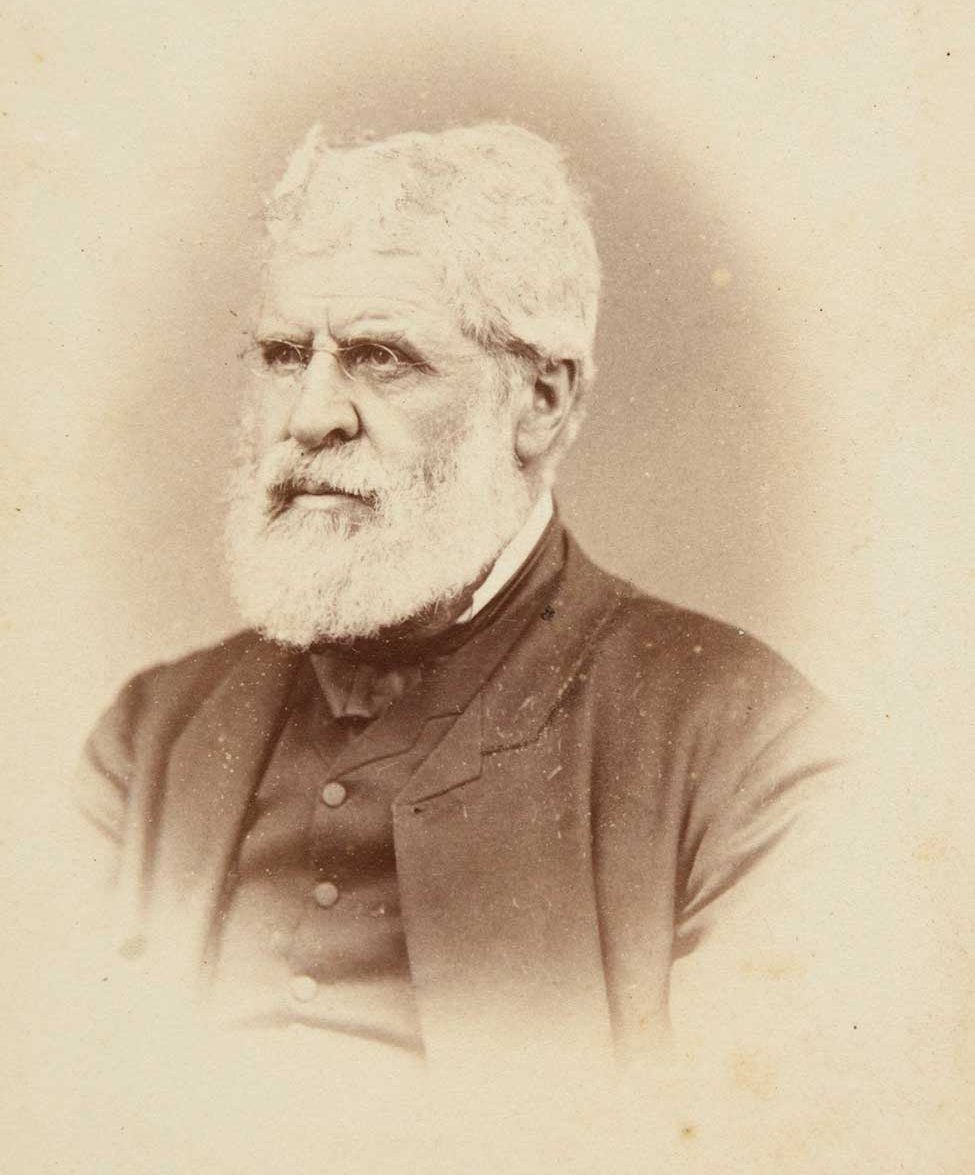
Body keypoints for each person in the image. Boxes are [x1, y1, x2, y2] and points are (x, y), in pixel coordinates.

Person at [77, 122, 861, 1083]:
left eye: (379, 357)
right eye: (286, 354)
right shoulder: (149, 735)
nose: (309, 415)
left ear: (541, 402)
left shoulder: (744, 745)